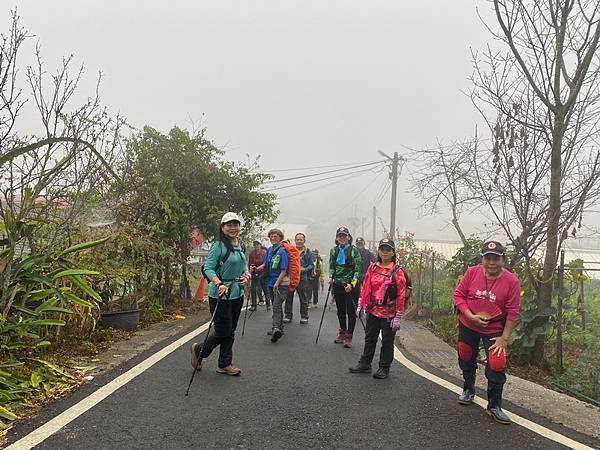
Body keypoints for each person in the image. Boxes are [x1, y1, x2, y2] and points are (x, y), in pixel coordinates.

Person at [453, 241, 521, 425]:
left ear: (503, 259)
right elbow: (458, 295)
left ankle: (494, 405)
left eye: (496, 258)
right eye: (488, 258)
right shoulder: (472, 272)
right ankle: (468, 389)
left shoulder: (511, 281)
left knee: (497, 363)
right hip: (468, 323)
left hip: (495, 328)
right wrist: (469, 315)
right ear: (482, 259)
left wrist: (504, 338)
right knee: (466, 356)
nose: (492, 262)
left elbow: (513, 311)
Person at [190, 212, 250, 376]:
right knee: (223, 330)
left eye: (235, 225)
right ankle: (199, 350)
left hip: (237, 293)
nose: (233, 228)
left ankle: (224, 364)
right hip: (220, 294)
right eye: (229, 225)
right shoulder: (218, 246)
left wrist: (246, 277)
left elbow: (245, 266)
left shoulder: (240, 245)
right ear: (222, 228)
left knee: (230, 330)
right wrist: (219, 283)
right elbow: (208, 268)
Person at [350, 238, 406, 379]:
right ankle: (365, 363)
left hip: (389, 312)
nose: (385, 252)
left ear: (393, 252)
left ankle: (384, 367)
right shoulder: (373, 267)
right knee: (370, 338)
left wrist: (399, 314)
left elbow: (401, 294)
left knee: (387, 341)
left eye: (388, 249)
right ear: (378, 251)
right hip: (373, 309)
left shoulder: (397, 271)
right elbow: (366, 286)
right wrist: (361, 303)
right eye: (382, 249)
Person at [329, 226, 362, 348]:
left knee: (350, 311)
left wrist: (352, 284)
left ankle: (349, 336)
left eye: (344, 235)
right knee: (340, 309)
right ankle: (342, 331)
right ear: (337, 238)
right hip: (338, 284)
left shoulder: (354, 251)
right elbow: (332, 265)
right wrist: (331, 277)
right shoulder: (334, 250)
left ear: (348, 237)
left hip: (350, 285)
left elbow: (358, 269)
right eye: (340, 236)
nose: (342, 238)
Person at [256, 228, 289, 343]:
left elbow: (284, 270)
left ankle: (275, 328)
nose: (273, 238)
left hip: (281, 285)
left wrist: (277, 283)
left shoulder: (282, 252)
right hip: (270, 283)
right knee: (277, 306)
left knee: (276, 306)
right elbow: (265, 265)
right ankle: (280, 328)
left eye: (276, 236)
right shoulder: (269, 250)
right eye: (271, 236)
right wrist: (255, 269)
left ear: (280, 238)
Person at [284, 233, 313, 324]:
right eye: (298, 239)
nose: (299, 241)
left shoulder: (308, 252)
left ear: (304, 241)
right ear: (295, 240)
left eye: (301, 240)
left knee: (303, 297)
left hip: (302, 278)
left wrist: (304, 269)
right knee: (289, 297)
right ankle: (288, 315)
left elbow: (311, 265)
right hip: (291, 277)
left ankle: (304, 316)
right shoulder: (291, 250)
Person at [248, 240, 268, 311]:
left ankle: (268, 304)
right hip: (254, 272)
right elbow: (250, 263)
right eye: (255, 244)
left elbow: (266, 263)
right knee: (253, 289)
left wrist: (258, 268)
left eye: (257, 244)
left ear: (260, 245)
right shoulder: (252, 253)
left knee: (264, 288)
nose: (256, 245)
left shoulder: (264, 253)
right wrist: (250, 272)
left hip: (263, 272)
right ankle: (253, 305)